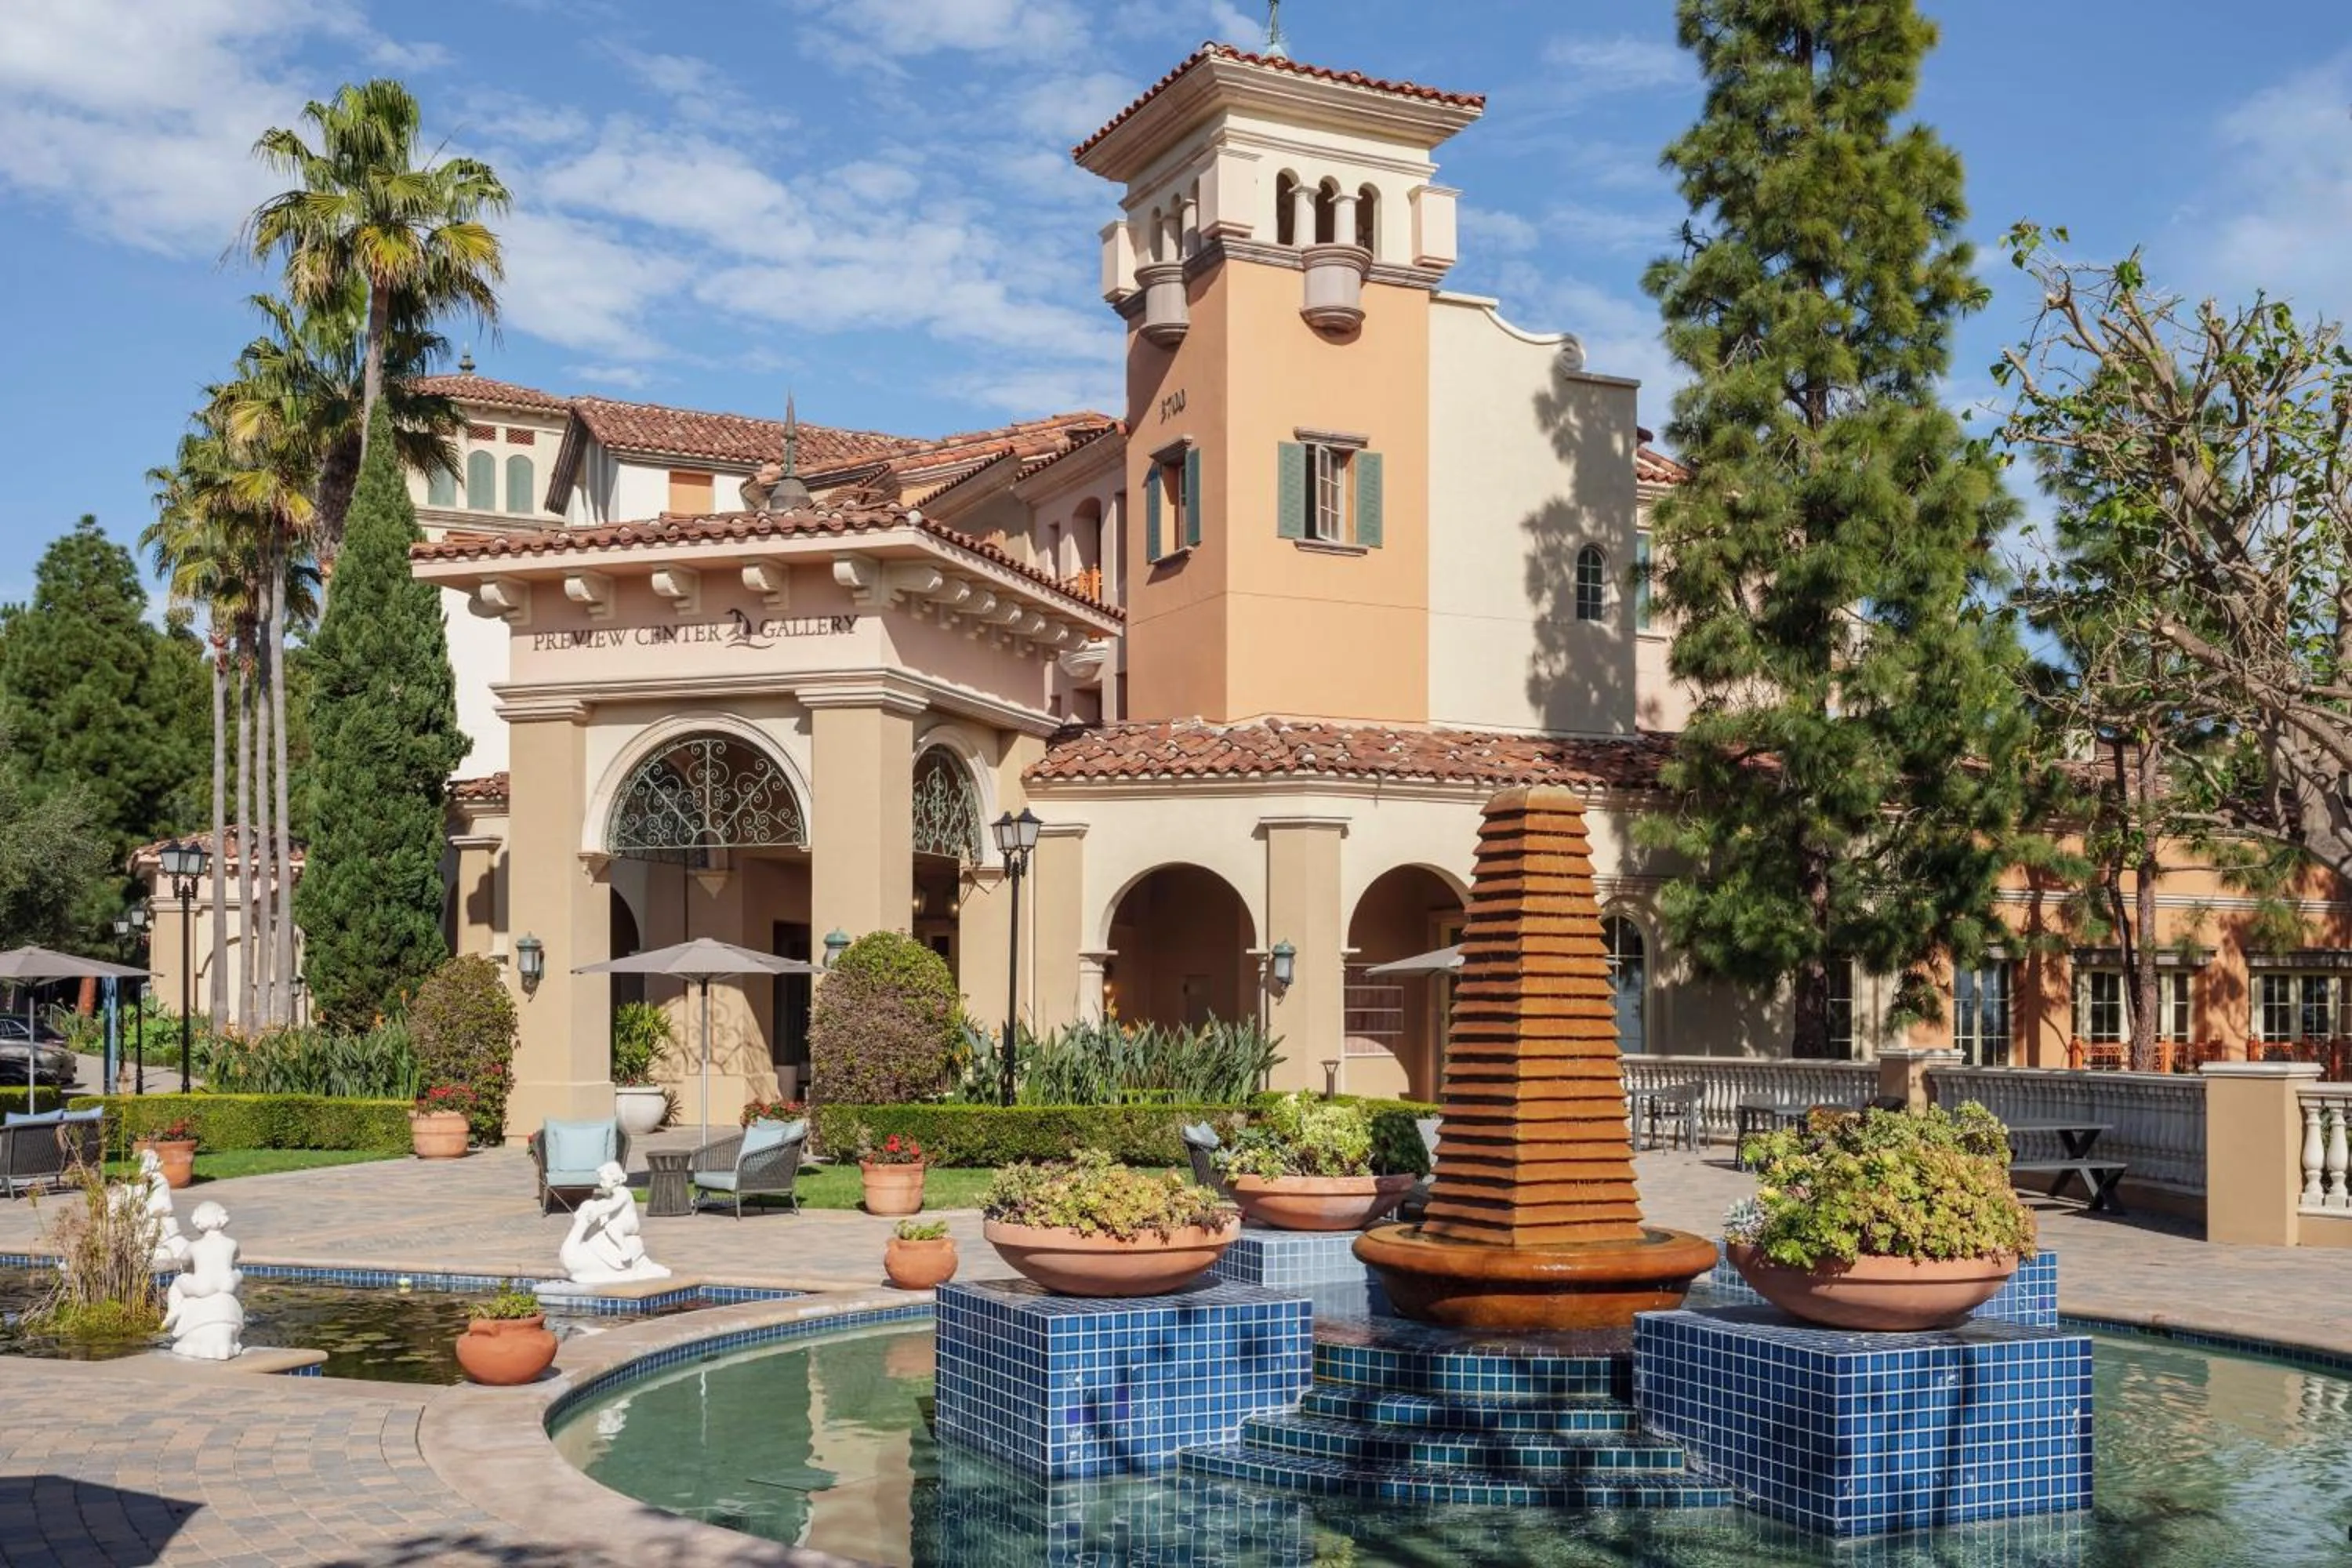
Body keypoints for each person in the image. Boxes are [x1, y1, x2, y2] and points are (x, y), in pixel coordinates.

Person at [558, 1160, 670, 1283]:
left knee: (612, 1227)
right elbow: (606, 1203)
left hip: (629, 1224)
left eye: (603, 1181)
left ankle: (624, 1250)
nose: (601, 1185)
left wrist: (598, 1212)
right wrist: (590, 1208)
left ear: (615, 1180)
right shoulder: (613, 1194)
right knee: (604, 1223)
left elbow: (613, 1206)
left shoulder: (623, 1193)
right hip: (620, 1223)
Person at [163, 1200, 244, 1359]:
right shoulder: (231, 1243)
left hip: (203, 1285)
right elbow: (236, 1256)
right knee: (238, 1274)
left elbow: (184, 1261)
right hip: (226, 1283)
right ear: (222, 1219)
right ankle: (239, 1304)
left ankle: (173, 1311)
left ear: (198, 1222)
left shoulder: (194, 1246)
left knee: (179, 1282)